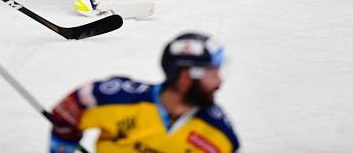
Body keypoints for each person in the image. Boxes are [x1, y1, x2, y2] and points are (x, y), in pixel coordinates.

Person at [49, 32, 240, 152]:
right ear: (185, 76)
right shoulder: (118, 98)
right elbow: (69, 110)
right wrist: (64, 145)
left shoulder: (218, 133)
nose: (219, 82)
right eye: (212, 74)